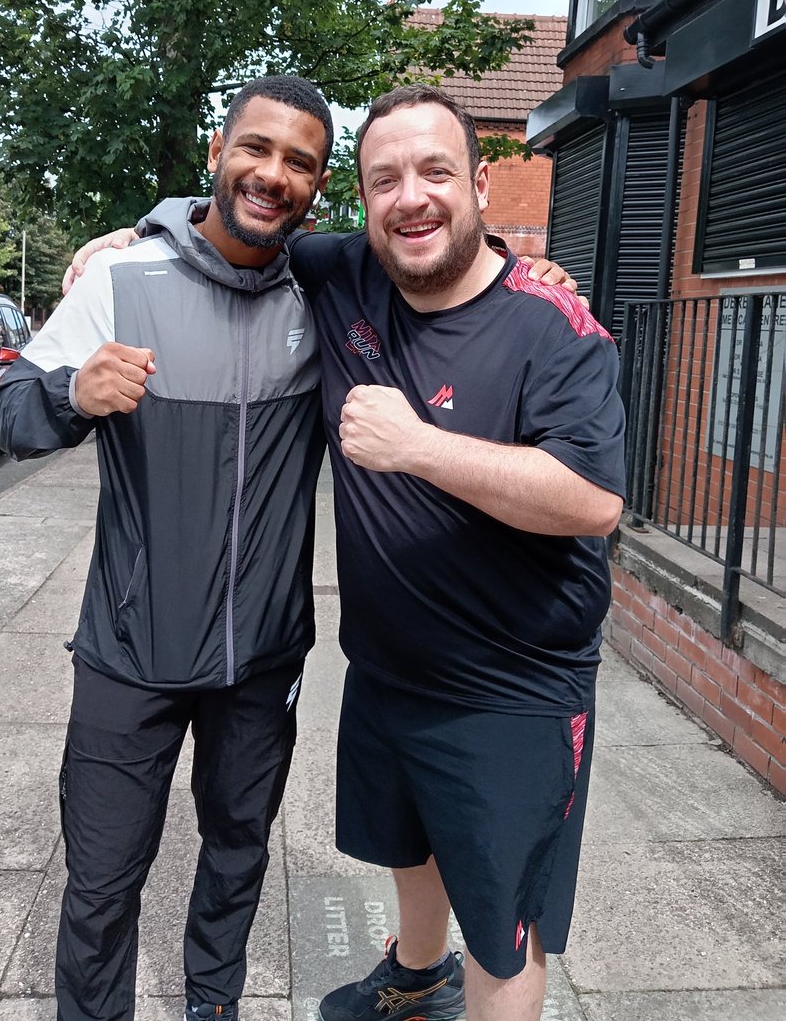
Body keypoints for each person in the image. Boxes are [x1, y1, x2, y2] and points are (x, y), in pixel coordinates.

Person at [59, 82, 599, 1021]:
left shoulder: (548, 324)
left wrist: (421, 444)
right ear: (360, 201)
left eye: (435, 172)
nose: (411, 197)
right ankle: (411, 977)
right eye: (385, 178)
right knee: (408, 848)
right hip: (382, 671)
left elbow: (593, 501)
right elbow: (228, 223)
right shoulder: (345, 273)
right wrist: (132, 243)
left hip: (509, 686)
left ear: (479, 182)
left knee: (504, 929)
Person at [0, 75, 335, 1021]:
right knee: (101, 885)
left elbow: (429, 253)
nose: (273, 175)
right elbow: (9, 410)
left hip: (262, 659)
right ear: (219, 155)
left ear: (318, 183)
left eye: (299, 162)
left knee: (237, 855)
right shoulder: (120, 280)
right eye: (256, 149)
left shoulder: (327, 283)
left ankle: (211, 1005)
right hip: (129, 654)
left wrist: (523, 261)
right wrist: (72, 396)